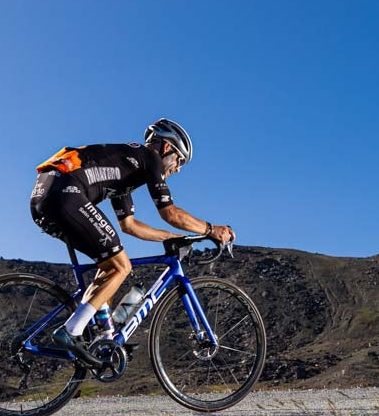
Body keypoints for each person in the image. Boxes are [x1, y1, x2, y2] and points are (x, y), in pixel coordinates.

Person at [29, 118, 236, 367]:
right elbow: (170, 213)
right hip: (65, 193)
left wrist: (174, 238)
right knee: (121, 266)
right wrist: (211, 229)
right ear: (167, 148)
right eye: (180, 161)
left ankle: (104, 338)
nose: (178, 169)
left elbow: (130, 226)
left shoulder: (127, 169)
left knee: (109, 267)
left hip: (46, 197)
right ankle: (70, 331)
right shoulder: (151, 158)